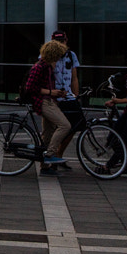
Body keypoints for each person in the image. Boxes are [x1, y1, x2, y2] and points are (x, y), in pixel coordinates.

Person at [22, 39, 72, 174]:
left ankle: (44, 168)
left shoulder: (48, 67)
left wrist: (58, 93)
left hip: (49, 100)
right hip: (43, 102)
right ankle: (50, 154)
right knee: (65, 125)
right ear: (53, 55)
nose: (59, 58)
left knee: (48, 133)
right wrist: (51, 92)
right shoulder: (40, 67)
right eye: (58, 55)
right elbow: (30, 87)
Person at [48, 30, 82, 168]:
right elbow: (46, 75)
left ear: (66, 41)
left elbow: (74, 77)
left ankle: (59, 155)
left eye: (62, 41)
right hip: (54, 97)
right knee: (56, 128)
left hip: (68, 97)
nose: (61, 44)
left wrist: (76, 96)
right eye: (58, 41)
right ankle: (51, 155)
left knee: (73, 127)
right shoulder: (49, 55)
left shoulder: (71, 55)